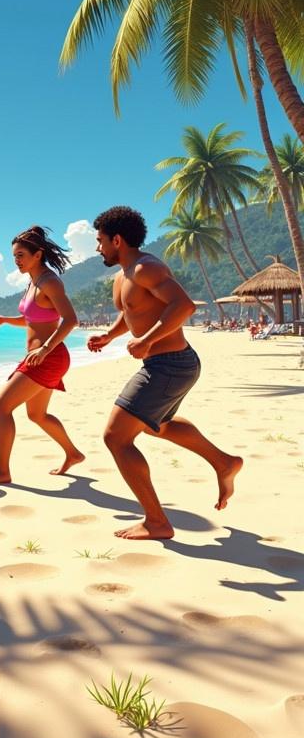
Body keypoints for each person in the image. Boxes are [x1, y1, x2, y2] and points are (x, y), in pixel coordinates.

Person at [88, 205, 243, 540]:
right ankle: (223, 462)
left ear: (117, 240)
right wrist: (110, 335)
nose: (97, 248)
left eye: (100, 241)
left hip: (170, 364)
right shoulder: (123, 276)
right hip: (169, 364)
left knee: (116, 437)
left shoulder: (147, 267)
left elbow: (183, 306)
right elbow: (133, 311)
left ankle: (157, 522)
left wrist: (145, 340)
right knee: (160, 426)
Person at [0, 226, 84, 484]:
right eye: (14, 256)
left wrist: (45, 349)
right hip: (40, 356)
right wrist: (5, 320)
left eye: (21, 255)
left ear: (38, 254)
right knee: (37, 415)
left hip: (49, 356)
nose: (17, 261)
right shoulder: (33, 282)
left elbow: (71, 320)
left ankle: (2, 471)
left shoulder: (50, 281)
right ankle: (73, 453)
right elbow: (32, 318)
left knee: (1, 408)